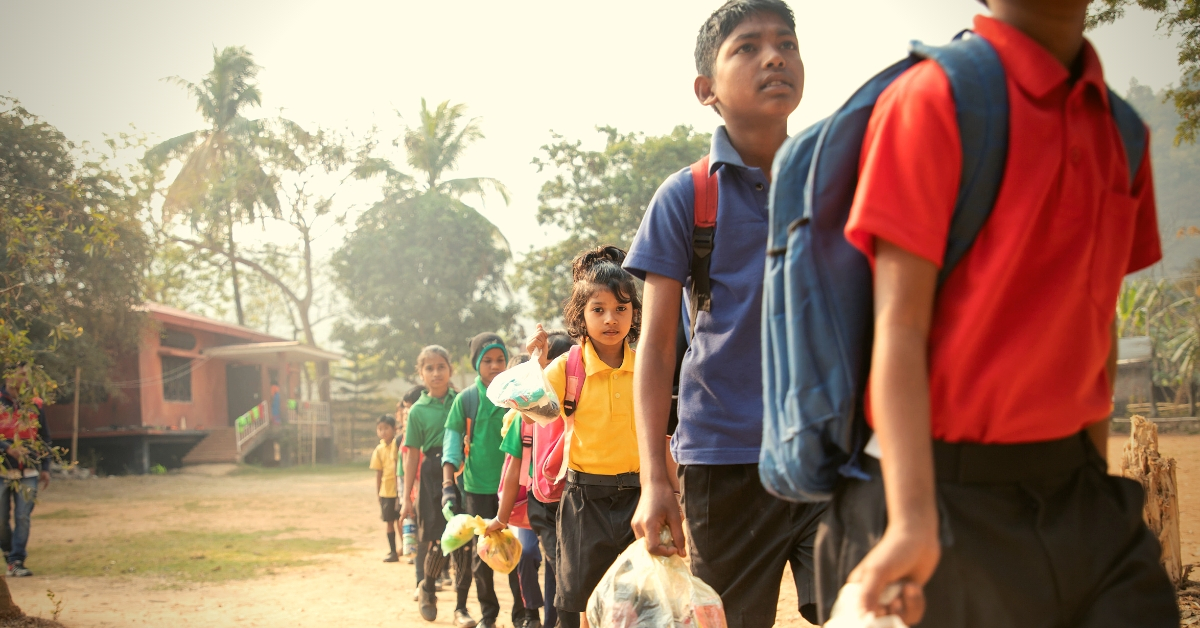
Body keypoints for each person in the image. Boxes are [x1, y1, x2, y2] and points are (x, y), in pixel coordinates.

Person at [816, 2, 1178, 627]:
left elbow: (1098, 328)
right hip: (940, 502)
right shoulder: (933, 101)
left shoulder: (1121, 133)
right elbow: (899, 326)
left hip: (1080, 497)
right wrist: (911, 520)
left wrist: (1093, 492)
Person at [623, 1, 821, 626]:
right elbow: (655, 349)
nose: (774, 57)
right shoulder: (687, 195)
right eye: (748, 47)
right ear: (706, 90)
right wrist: (656, 478)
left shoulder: (835, 180)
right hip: (723, 464)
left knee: (867, 610)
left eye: (786, 44)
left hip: (829, 455)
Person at [494, 246, 641, 628]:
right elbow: (530, 411)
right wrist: (534, 365)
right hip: (583, 501)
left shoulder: (645, 366)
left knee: (631, 601)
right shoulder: (567, 366)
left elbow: (660, 434)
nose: (611, 319)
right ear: (581, 316)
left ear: (634, 314)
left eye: (621, 309)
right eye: (598, 309)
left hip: (637, 498)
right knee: (580, 601)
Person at [442, 332, 525, 628]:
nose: (495, 366)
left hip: (512, 491)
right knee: (483, 556)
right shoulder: (465, 399)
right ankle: (488, 615)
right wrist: (448, 485)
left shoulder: (516, 395)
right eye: (487, 360)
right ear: (476, 363)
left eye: (500, 359)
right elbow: (451, 443)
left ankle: (522, 615)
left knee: (518, 552)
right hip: (476, 488)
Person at [401, 346, 474, 627]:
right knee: (434, 539)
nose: (435, 373)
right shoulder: (417, 411)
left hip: (462, 470)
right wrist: (407, 497)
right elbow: (411, 457)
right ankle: (428, 588)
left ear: (450, 369)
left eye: (441, 366)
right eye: (429, 368)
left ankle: (461, 608)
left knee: (464, 540)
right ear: (420, 373)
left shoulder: (463, 401)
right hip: (432, 474)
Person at [0, 365, 51, 578]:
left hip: (29, 470)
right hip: (2, 470)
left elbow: (45, 438)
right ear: (9, 376)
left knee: (23, 516)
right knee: (1, 518)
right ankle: (9, 553)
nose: (25, 379)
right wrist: (7, 448)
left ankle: (17, 559)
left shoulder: (35, 404)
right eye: (21, 374)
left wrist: (46, 468)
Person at [396, 385, 426, 573]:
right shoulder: (407, 435)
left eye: (410, 406)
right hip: (415, 489)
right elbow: (406, 464)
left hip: (433, 485)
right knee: (417, 535)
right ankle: (421, 579)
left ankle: (439, 573)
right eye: (406, 407)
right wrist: (406, 496)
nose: (407, 411)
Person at [369, 415, 401, 563]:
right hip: (386, 491)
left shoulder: (398, 444)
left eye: (386, 428)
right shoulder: (379, 449)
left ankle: (406, 549)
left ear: (394, 429)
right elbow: (378, 472)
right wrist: (378, 493)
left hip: (399, 490)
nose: (383, 432)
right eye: (380, 429)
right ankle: (393, 551)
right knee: (389, 521)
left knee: (401, 521)